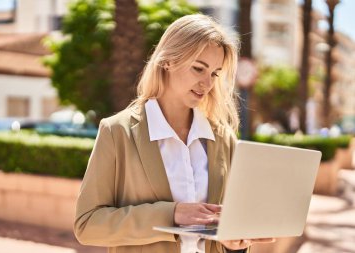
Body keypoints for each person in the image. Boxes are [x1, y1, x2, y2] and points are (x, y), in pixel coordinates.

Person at [74, 14, 275, 253]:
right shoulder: (118, 132)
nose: (207, 83)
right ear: (168, 61)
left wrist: (234, 244)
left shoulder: (223, 139)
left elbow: (225, 226)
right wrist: (171, 214)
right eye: (198, 68)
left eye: (214, 73)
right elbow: (87, 224)